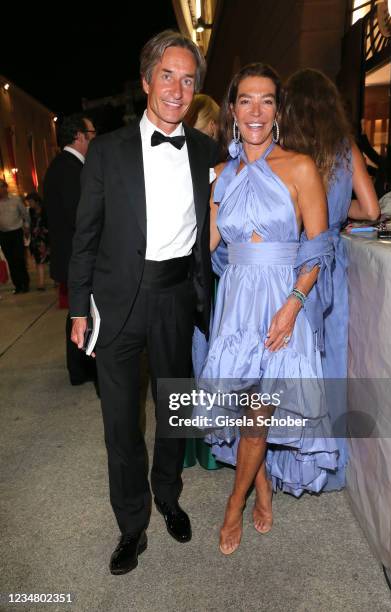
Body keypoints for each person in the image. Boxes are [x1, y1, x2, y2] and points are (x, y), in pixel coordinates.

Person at [68, 30, 218, 575]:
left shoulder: (205, 151)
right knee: (120, 422)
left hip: (177, 296)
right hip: (116, 301)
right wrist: (78, 307)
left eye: (188, 79)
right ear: (146, 81)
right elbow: (85, 235)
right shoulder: (106, 151)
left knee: (175, 409)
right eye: (167, 76)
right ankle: (132, 525)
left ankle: (168, 494)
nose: (178, 89)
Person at [197, 63, 338, 555]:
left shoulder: (300, 167)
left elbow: (318, 248)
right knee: (241, 408)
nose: (256, 111)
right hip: (235, 303)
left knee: (258, 413)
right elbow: (202, 245)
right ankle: (260, 487)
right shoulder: (218, 176)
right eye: (246, 101)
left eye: (267, 100)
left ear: (278, 110)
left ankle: (233, 506)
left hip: (283, 302)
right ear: (232, 111)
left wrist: (294, 304)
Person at [280, 69, 380, 490]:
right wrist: (340, 218)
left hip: (295, 262)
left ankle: (292, 459)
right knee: (332, 360)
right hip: (333, 264)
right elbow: (372, 210)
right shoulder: (345, 148)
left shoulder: (285, 151)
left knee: (294, 360)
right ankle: (331, 459)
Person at [43, 113, 97, 386]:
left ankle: (79, 369)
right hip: (76, 257)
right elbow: (82, 218)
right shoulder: (70, 169)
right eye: (92, 132)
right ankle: (82, 369)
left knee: (78, 312)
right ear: (79, 135)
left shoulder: (60, 166)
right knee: (83, 313)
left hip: (68, 255)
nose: (94, 137)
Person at [183, 94, 222, 471]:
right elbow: (211, 234)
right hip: (203, 271)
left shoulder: (179, 156)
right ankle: (209, 448)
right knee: (205, 357)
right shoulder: (212, 157)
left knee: (179, 360)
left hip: (176, 271)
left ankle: (183, 450)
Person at [0, 179, 30, 294]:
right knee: (10, 260)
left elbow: (25, 214)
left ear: (5, 187)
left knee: (19, 258)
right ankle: (17, 285)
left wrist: (27, 227)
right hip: (3, 234)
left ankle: (25, 283)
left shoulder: (15, 200)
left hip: (16, 232)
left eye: (1, 187)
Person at [24, 192, 50, 290]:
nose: (29, 204)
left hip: (46, 238)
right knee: (39, 261)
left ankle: (57, 280)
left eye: (31, 202)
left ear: (37, 201)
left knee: (50, 260)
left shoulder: (45, 209)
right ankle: (41, 283)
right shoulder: (30, 211)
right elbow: (30, 223)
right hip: (36, 239)